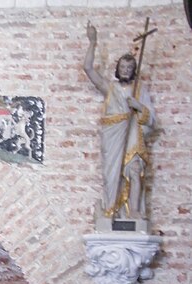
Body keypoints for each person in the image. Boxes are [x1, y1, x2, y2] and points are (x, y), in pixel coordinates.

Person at [84, 22, 155, 220]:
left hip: (132, 133)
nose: (125, 70)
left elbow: (151, 119)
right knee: (112, 175)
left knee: (135, 170)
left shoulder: (139, 90)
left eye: (129, 67)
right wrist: (93, 42)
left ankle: (135, 212)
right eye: (122, 67)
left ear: (134, 70)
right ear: (118, 69)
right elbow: (88, 68)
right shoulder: (111, 89)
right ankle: (110, 210)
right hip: (113, 138)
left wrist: (138, 106)